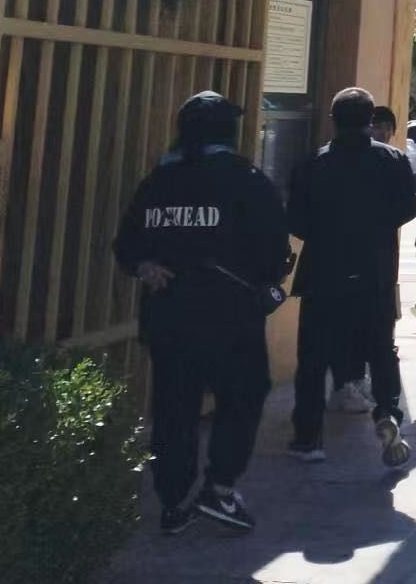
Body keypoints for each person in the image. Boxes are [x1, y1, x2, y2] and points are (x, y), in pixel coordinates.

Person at [113, 91, 290, 534]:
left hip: (168, 315)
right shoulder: (245, 179)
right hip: (230, 317)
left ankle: (173, 502)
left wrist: (143, 265)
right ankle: (220, 487)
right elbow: (273, 249)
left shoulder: (158, 181)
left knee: (174, 407)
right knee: (243, 395)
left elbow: (126, 243)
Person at [288, 87, 416, 468]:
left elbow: (296, 219)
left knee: (313, 359)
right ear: (370, 120)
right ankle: (388, 412)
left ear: (333, 120)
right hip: (374, 273)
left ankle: (308, 437)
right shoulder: (392, 160)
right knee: (380, 351)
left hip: (323, 275)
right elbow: (408, 207)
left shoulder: (313, 164)